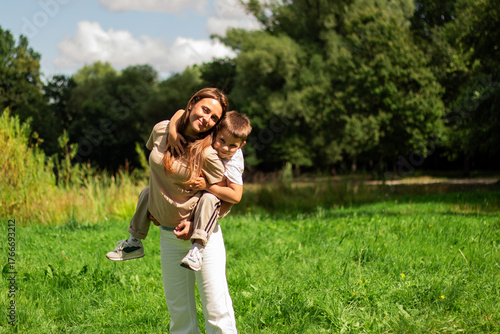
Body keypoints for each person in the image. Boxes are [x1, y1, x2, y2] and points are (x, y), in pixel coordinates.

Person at [107, 88, 238, 333]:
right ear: (192, 105)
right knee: (179, 314)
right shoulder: (161, 130)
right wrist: (157, 204)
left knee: (216, 311)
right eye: (205, 110)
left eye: (214, 118)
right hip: (168, 235)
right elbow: (157, 172)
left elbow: (224, 197)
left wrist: (194, 224)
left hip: (202, 240)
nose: (207, 119)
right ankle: (134, 241)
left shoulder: (209, 153)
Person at [167, 109, 252, 271]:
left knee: (208, 198)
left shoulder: (234, 160)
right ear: (216, 132)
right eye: (222, 141)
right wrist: (172, 132)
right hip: (194, 199)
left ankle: (197, 248)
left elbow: (236, 196)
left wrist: (208, 186)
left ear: (241, 145)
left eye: (233, 145)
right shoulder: (208, 133)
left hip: (217, 203)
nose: (225, 148)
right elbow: (180, 113)